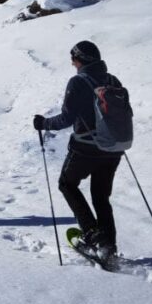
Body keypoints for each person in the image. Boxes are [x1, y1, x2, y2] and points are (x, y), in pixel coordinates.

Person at [33, 41, 124, 263]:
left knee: (67, 184)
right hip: (113, 148)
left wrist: (43, 123)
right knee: (101, 197)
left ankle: (93, 236)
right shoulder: (112, 80)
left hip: (85, 147)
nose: (72, 62)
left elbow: (66, 118)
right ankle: (108, 246)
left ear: (81, 60)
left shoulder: (78, 82)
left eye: (73, 58)